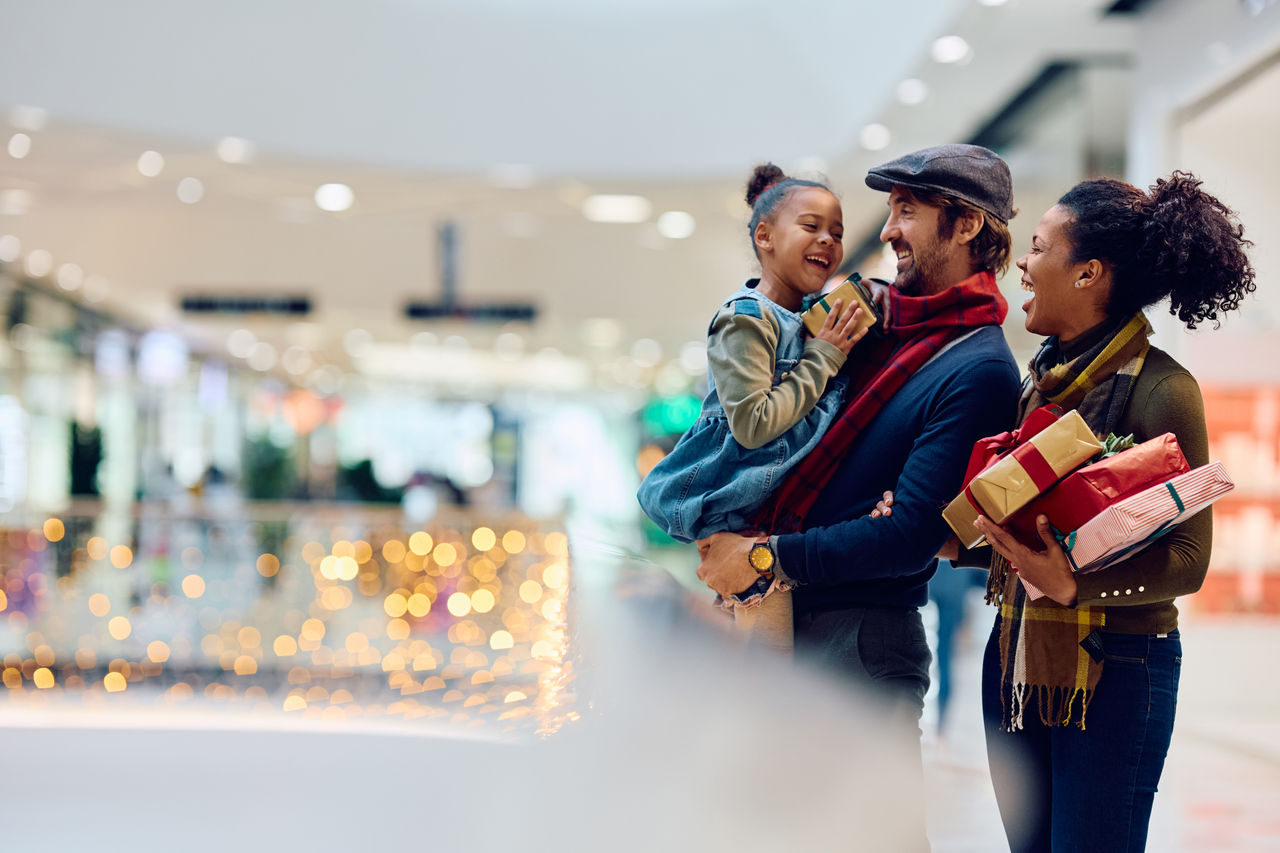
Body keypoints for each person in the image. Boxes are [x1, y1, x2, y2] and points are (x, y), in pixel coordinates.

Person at [696, 143, 1023, 850]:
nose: (890, 229)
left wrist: (763, 556)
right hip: (784, 619)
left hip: (860, 642)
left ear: (967, 225)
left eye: (907, 210)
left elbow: (905, 535)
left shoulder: (979, 368)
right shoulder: (875, 327)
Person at [968, 172, 1255, 852]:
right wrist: (960, 534)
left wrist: (1074, 584)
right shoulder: (1037, 383)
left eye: (1039, 247)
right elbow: (1035, 535)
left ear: (1088, 272)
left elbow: (1189, 559)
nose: (1024, 263)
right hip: (1016, 656)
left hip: (1118, 667)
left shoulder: (1163, 389)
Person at [637, 163, 870, 652]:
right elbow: (753, 424)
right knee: (767, 667)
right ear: (765, 236)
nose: (827, 240)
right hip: (736, 516)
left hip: (773, 522)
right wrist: (823, 358)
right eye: (811, 226)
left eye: (836, 232)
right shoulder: (745, 319)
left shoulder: (807, 322)